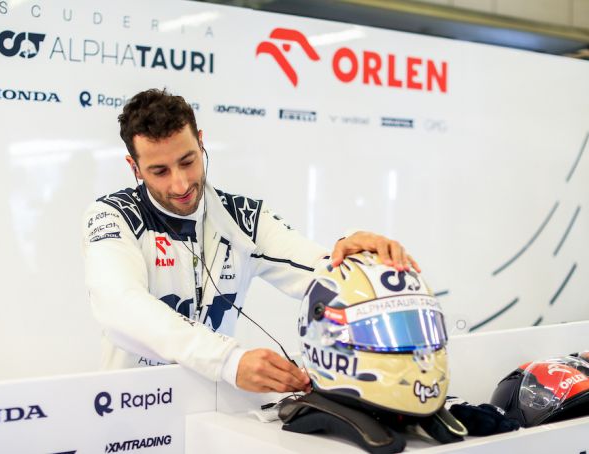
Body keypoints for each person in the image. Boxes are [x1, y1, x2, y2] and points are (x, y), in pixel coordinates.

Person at [82, 88, 419, 393]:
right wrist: (229, 361)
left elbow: (320, 272)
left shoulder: (244, 217)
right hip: (133, 411)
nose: (181, 184)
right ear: (135, 168)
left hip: (213, 410)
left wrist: (355, 259)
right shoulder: (112, 215)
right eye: (160, 171)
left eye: (188, 161)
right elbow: (120, 305)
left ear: (201, 142)